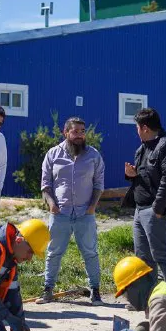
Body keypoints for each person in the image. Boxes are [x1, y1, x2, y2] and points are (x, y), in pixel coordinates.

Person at [37, 117, 105, 306]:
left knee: (90, 252)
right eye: (75, 131)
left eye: (82, 131)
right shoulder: (53, 154)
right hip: (60, 213)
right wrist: (51, 204)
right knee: (53, 252)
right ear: (65, 132)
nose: (80, 135)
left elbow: (99, 183)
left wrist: (92, 206)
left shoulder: (94, 155)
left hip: (85, 213)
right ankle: (48, 290)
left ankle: (95, 291)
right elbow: (45, 184)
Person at [122, 108, 166, 286]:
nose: (137, 131)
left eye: (137, 128)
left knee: (161, 255)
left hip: (156, 210)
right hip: (140, 209)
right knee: (143, 257)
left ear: (145, 128)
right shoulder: (142, 149)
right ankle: (149, 296)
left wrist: (158, 209)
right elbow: (146, 176)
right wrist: (131, 175)